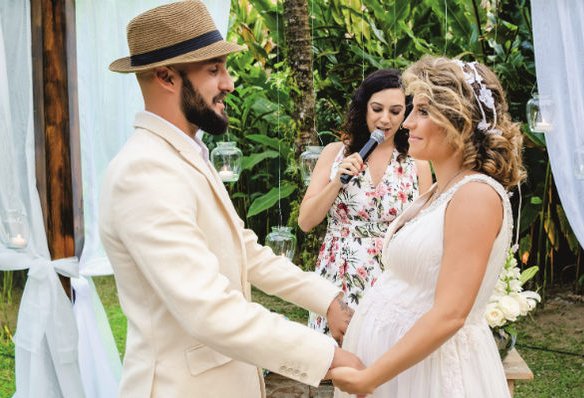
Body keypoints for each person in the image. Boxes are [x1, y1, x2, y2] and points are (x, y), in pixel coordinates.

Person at [99, 2, 363, 397]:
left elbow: (243, 250)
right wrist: (327, 357)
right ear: (166, 77)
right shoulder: (144, 172)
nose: (230, 83)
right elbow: (210, 311)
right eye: (214, 70)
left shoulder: (186, 153)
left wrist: (326, 299)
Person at [328, 56, 525, 397]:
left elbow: (451, 313)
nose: (406, 123)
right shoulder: (442, 189)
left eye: (421, 111)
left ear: (457, 121)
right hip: (402, 369)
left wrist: (369, 378)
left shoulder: (475, 195)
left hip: (431, 375)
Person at [298, 69, 433, 338]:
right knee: (340, 365)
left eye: (395, 111)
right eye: (377, 108)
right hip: (340, 273)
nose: (385, 119)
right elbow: (305, 222)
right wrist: (336, 182)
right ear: (364, 109)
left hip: (394, 276)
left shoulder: (417, 163)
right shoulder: (334, 153)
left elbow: (425, 231)